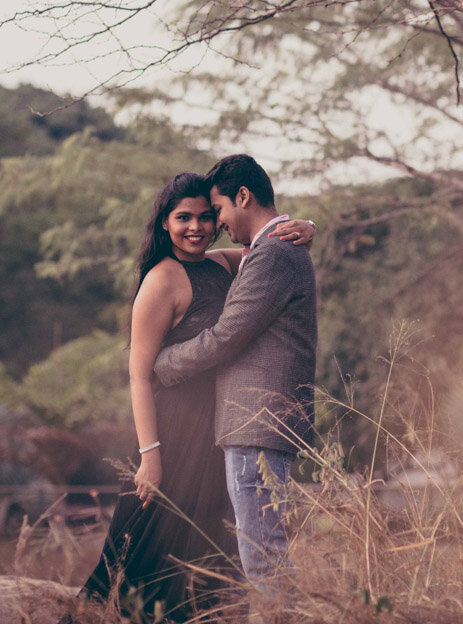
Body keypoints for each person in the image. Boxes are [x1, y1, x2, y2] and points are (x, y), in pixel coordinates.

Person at [73, 172, 315, 622]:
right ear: (164, 222)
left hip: (219, 428)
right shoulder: (161, 280)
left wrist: (304, 226)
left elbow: (265, 249)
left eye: (206, 217)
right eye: (183, 217)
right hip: (173, 432)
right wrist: (150, 454)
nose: (197, 228)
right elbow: (139, 375)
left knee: (208, 556)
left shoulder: (222, 264)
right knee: (149, 553)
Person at [153, 155, 318, 611]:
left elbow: (226, 336)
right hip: (257, 422)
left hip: (257, 422)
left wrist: (162, 365)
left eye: (218, 210)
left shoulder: (273, 253)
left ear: (243, 197)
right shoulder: (272, 247)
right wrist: (308, 224)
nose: (217, 223)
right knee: (264, 551)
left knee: (263, 557)